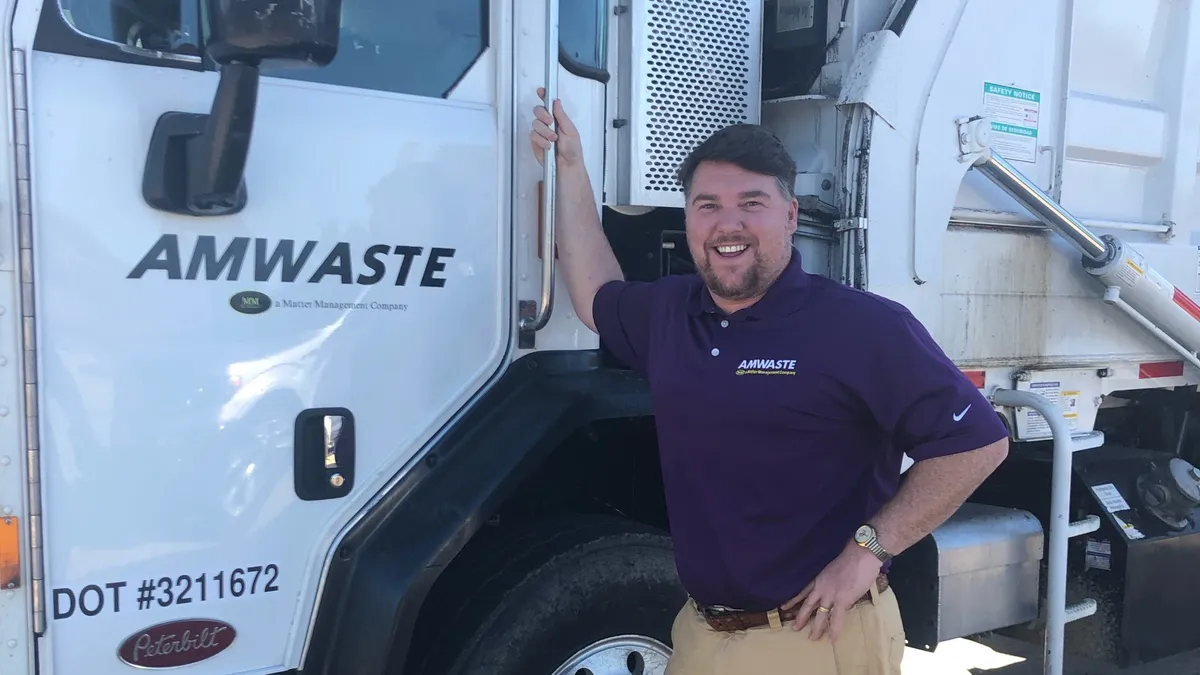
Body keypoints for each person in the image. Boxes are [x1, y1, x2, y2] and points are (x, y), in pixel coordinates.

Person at [529, 89, 1010, 674]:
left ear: (790, 215)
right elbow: (595, 294)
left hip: (814, 637)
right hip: (702, 633)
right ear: (688, 219)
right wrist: (572, 168)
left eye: (750, 203)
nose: (727, 224)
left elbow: (977, 444)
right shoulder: (671, 312)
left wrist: (869, 550)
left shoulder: (861, 327)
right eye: (707, 205)